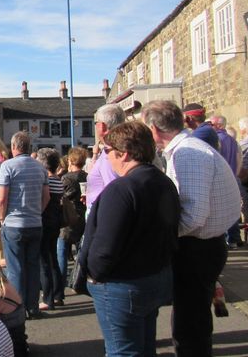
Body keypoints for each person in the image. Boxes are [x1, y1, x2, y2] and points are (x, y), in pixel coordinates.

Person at [141, 100, 241, 356]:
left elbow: (194, 217)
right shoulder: (186, 149)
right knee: (191, 321)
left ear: (153, 129)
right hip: (202, 245)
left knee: (190, 327)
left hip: (199, 248)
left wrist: (157, 238)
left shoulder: (187, 153)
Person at [80, 121, 181, 356]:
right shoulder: (164, 182)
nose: (106, 157)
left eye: (107, 152)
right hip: (155, 277)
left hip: (123, 284)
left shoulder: (122, 189)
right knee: (145, 348)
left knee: (122, 351)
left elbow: (104, 248)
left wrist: (93, 275)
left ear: (123, 154)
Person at [0, 132, 49, 319]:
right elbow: (46, 197)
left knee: (15, 268)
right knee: (32, 266)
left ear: (13, 147)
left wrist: (2, 218)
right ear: (29, 147)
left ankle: (17, 308)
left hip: (13, 223)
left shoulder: (7, 166)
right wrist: (37, 212)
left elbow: (2, 198)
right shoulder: (40, 168)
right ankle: (33, 306)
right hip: (35, 223)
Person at [35, 148, 63, 311]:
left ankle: (48, 298)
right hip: (55, 222)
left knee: (44, 261)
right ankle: (58, 295)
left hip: (45, 222)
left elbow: (43, 200)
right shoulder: (58, 180)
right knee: (53, 260)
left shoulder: (46, 180)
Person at [86, 104, 127, 215]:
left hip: (104, 214)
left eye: (96, 123)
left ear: (102, 126)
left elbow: (114, 189)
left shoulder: (111, 152)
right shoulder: (121, 147)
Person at [58, 147, 87, 297]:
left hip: (67, 218)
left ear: (70, 160)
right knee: (80, 252)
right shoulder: (87, 176)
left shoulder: (66, 178)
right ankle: (78, 282)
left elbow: (61, 197)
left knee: (62, 252)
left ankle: (60, 287)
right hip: (82, 216)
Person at [211, 116, 244, 248]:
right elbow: (238, 159)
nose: (209, 126)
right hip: (232, 177)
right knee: (232, 209)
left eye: (211, 124)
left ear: (219, 125)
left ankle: (227, 239)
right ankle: (234, 238)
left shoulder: (216, 139)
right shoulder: (232, 140)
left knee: (221, 209)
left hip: (221, 177)